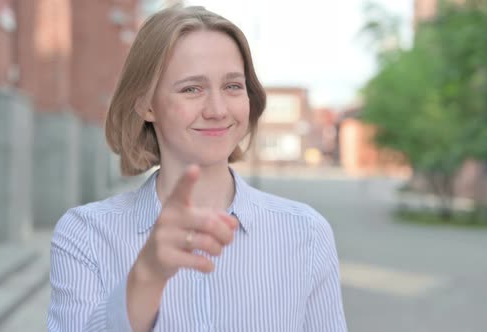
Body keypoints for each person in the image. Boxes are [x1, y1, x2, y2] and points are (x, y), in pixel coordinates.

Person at [47, 5, 346, 332]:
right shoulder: (85, 235)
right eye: (192, 88)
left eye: (233, 86)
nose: (217, 110)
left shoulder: (307, 233)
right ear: (146, 104)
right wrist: (146, 276)